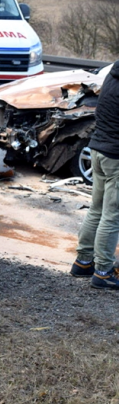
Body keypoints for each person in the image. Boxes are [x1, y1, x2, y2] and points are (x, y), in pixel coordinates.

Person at [71, 59, 119, 290]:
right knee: (112, 215)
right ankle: (103, 272)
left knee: (97, 209)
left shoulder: (112, 74)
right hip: (115, 157)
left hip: (98, 150)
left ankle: (83, 262)